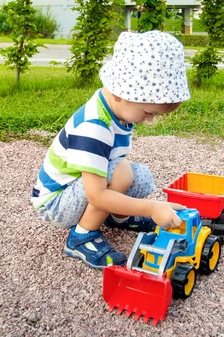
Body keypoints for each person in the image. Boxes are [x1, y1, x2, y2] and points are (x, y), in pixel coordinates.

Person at [30, 30, 191, 270]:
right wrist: (151, 208)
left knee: (141, 176)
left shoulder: (116, 108)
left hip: (80, 189)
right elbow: (96, 195)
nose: (150, 121)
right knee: (122, 172)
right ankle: (81, 236)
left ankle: (117, 217)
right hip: (56, 204)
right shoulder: (94, 127)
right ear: (120, 93)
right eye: (148, 113)